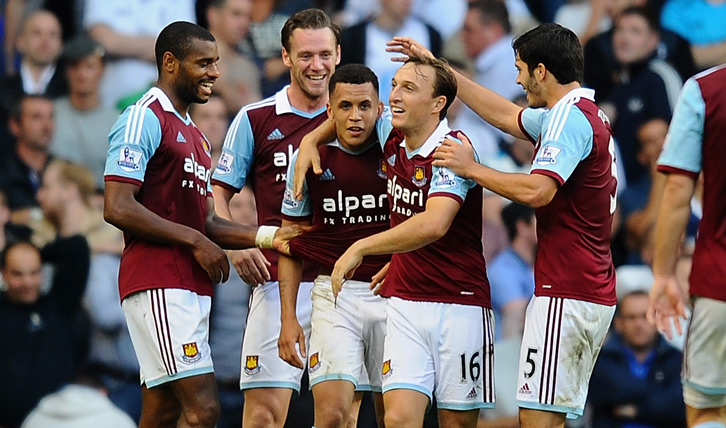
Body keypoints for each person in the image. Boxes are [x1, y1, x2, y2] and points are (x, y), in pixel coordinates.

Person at [387, 23, 618, 428]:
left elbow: (537, 192)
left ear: (541, 71)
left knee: (536, 421)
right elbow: (506, 115)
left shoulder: (568, 119)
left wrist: (471, 168)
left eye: (521, 68)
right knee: (548, 419)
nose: (516, 78)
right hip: (584, 286)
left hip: (568, 289)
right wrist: (439, 66)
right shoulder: (578, 113)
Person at [103, 21, 294, 428]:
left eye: (217, 62)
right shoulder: (142, 116)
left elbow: (206, 221)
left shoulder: (197, 136)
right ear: (170, 63)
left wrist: (269, 236)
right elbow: (117, 206)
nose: (215, 73)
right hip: (157, 281)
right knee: (204, 409)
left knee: (164, 410)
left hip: (189, 285)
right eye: (203, 62)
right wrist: (194, 241)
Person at [299, 55, 494, 428]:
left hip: (460, 303)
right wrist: (310, 139)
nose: (396, 96)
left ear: (438, 104)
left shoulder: (452, 150)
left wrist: (361, 247)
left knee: (456, 424)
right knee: (399, 420)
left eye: (409, 87)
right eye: (394, 85)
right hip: (405, 303)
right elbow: (350, 116)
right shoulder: (394, 133)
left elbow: (434, 223)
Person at [210, 8, 340, 428]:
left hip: (345, 286)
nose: (316, 65)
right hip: (278, 283)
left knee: (338, 417)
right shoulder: (255, 118)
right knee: (264, 416)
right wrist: (237, 245)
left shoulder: (360, 119)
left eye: (324, 54)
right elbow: (218, 192)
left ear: (338, 55)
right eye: (305, 56)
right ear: (285, 57)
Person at [277, 63, 389, 428]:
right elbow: (290, 240)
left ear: (380, 109)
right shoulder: (309, 160)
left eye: (364, 107)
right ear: (330, 110)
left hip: (394, 293)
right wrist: (289, 316)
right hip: (335, 295)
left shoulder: (397, 151)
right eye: (344, 107)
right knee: (333, 415)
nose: (355, 117)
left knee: (394, 416)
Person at [648, 62, 726, 428]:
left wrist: (663, 274)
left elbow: (679, 190)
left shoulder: (705, 89)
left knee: (708, 409)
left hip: (719, 281)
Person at [0, 238, 90, 428]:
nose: (27, 282)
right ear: (3, 273)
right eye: (18, 274)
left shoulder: (58, 305)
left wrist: (36, 251)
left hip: (60, 419)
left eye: (34, 272)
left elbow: (77, 248)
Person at [588, 290, 685, 428]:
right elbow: (608, 391)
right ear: (618, 323)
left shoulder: (675, 359)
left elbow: (678, 407)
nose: (639, 324)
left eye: (645, 317)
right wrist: (662, 397)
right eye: (631, 317)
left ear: (658, 320)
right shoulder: (601, 360)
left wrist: (635, 410)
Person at [49, 35, 119, 189]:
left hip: (99, 203)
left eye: (89, 66)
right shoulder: (49, 114)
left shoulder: (117, 123)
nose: (81, 74)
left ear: (102, 70)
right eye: (74, 67)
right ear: (67, 71)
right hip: (53, 200)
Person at [487, 202, 536, 340]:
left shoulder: (531, 265)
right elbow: (516, 320)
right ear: (522, 227)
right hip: (508, 356)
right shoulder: (502, 269)